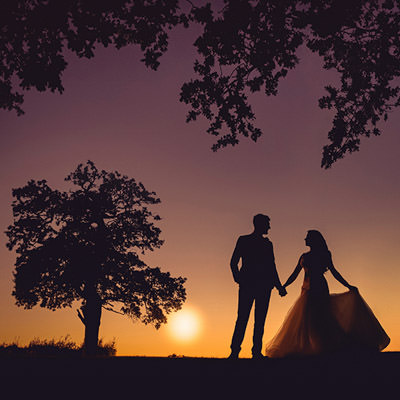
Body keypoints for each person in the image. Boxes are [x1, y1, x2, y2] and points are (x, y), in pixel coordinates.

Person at [265, 230, 390, 357]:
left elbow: (334, 272)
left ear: (313, 240)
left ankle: (323, 347)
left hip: (319, 288)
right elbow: (295, 274)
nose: (305, 239)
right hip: (306, 290)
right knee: (307, 320)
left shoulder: (324, 254)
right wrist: (283, 286)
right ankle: (313, 347)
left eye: (307, 237)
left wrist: (348, 285)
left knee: (320, 319)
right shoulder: (304, 256)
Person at [228, 214, 287, 360]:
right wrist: (238, 278)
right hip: (248, 284)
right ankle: (235, 351)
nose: (269, 227)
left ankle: (255, 352)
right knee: (243, 318)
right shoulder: (244, 240)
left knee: (259, 320)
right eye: (267, 224)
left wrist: (279, 286)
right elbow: (233, 262)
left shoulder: (268, 244)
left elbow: (271, 267)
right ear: (259, 224)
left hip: (264, 286)